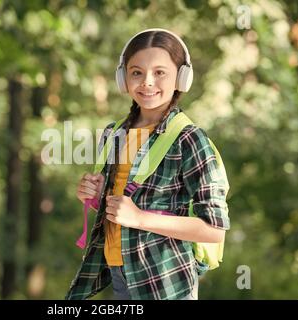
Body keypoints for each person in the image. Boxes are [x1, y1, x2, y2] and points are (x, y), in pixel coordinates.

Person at [66, 28, 230, 300]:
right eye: (136, 72)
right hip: (120, 271)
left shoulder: (189, 140)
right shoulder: (113, 133)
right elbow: (121, 204)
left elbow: (213, 230)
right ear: (123, 78)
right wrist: (95, 195)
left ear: (181, 77)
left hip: (166, 280)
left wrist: (140, 218)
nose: (147, 82)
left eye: (160, 72)